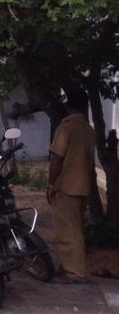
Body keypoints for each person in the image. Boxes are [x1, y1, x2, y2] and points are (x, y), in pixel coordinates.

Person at [47, 87, 96, 284]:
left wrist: (51, 183)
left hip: (66, 185)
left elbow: (57, 158)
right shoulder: (88, 129)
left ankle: (75, 272)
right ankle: (68, 265)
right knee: (76, 227)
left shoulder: (66, 128)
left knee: (68, 230)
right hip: (83, 185)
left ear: (68, 107)